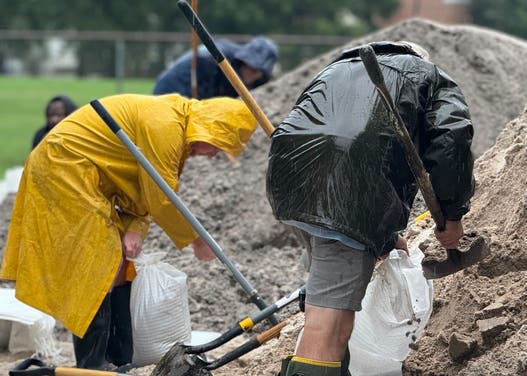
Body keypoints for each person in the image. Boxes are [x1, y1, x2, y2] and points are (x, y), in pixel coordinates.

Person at [0, 94, 257, 370]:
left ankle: (120, 358)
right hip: (64, 167)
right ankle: (93, 365)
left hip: (90, 176)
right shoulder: (165, 126)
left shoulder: (176, 129)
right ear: (208, 127)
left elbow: (147, 189)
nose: (214, 153)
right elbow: (160, 195)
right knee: (96, 261)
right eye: (218, 145)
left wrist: (134, 229)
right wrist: (196, 238)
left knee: (120, 263)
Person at [266, 41, 475, 375]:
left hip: (292, 185)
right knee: (328, 323)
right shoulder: (429, 76)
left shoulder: (336, 69)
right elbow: (451, 141)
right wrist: (453, 215)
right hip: (344, 196)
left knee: (337, 306)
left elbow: (348, 132)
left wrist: (384, 237)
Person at [153, 36, 278, 99]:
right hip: (174, 89)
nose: (252, 73)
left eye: (258, 70)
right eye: (250, 66)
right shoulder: (214, 58)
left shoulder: (262, 81)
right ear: (243, 61)